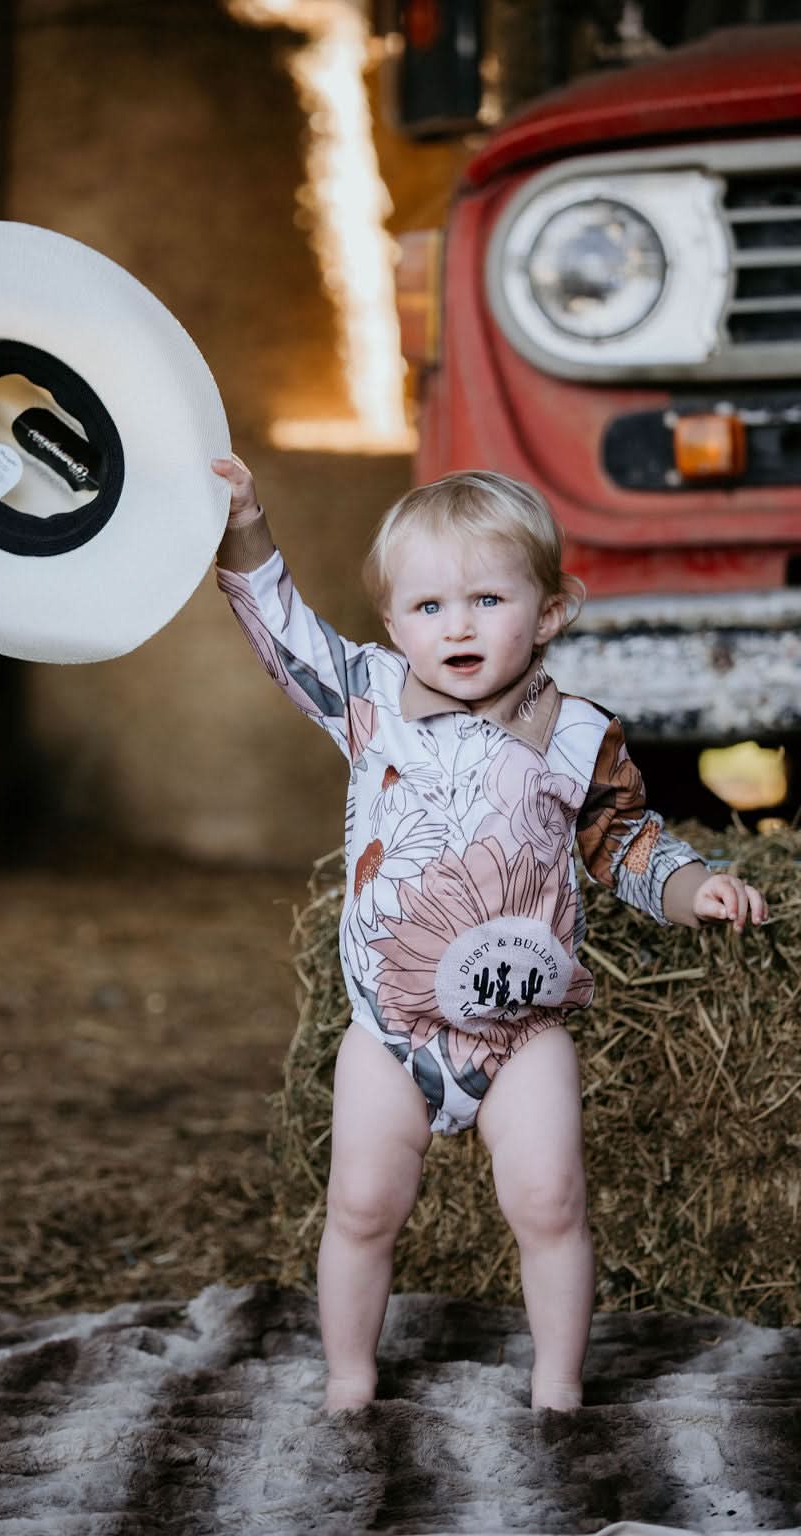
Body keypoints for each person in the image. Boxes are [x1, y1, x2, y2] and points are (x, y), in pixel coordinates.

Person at [211, 454, 768, 1414]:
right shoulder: (369, 699)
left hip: (523, 1030)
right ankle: (349, 1379)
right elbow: (284, 632)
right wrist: (246, 523)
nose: (457, 626)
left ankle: (557, 1388)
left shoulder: (576, 734)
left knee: (550, 1203)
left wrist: (694, 888)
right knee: (361, 1207)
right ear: (393, 625)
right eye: (427, 607)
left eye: (487, 600)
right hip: (391, 1030)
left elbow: (625, 842)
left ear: (550, 613)